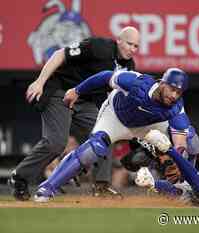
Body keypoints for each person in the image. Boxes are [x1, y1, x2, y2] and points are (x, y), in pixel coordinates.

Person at [9, 26, 140, 201]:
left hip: (86, 101)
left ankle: (101, 186)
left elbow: (116, 98)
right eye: (129, 44)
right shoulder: (98, 46)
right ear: (119, 41)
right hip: (61, 91)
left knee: (105, 134)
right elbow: (59, 55)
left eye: (136, 46)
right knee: (56, 143)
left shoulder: (129, 67)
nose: (132, 49)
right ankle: (19, 177)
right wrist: (40, 82)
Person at [33, 67, 191, 202]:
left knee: (191, 142)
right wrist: (76, 90)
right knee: (93, 149)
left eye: (179, 92)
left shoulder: (176, 108)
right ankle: (47, 187)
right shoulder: (136, 82)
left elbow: (180, 143)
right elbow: (105, 76)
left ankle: (181, 190)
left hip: (149, 126)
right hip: (117, 117)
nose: (174, 95)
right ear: (162, 83)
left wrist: (177, 157)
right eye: (172, 89)